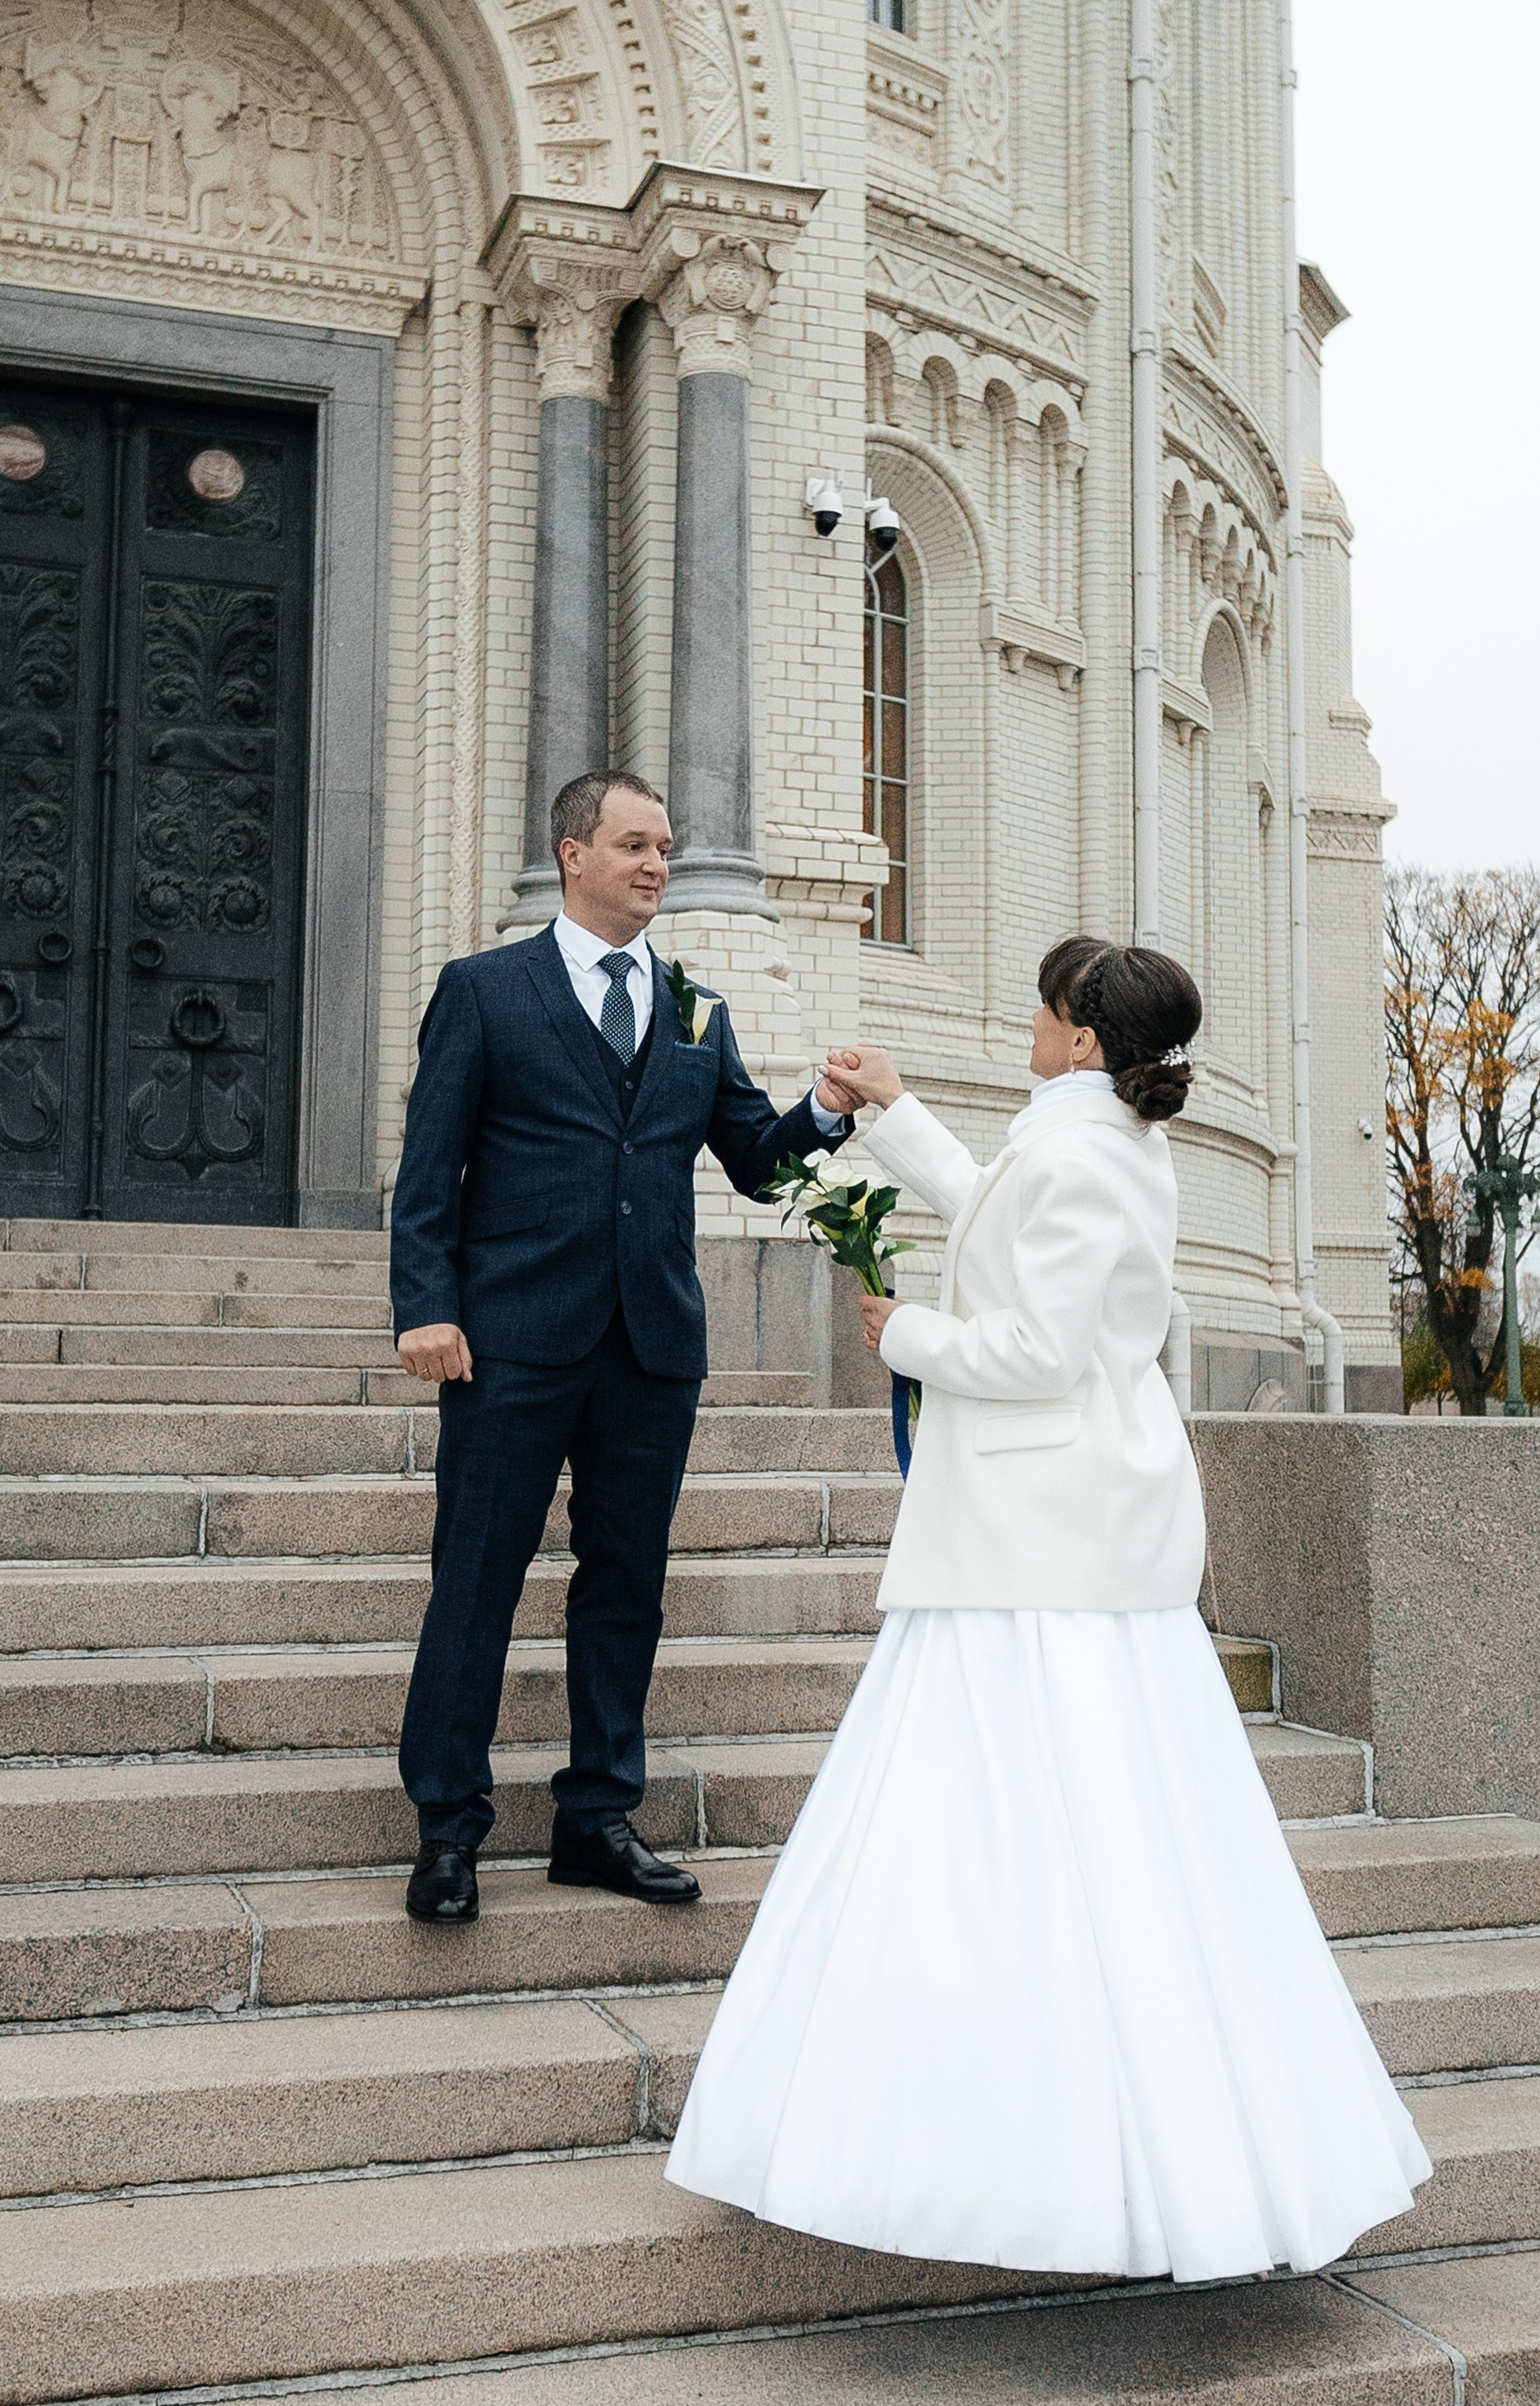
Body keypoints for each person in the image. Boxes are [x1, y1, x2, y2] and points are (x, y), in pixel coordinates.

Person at [666, 935, 1430, 2279]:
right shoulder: (1080, 1142)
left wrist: (905, 1337)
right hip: (1045, 1531)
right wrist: (895, 1112)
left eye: (1042, 1004)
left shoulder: (1083, 1156)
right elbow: (994, 1208)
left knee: (1017, 1822)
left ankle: (1017, 2158)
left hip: (1039, 1537)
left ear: (1082, 1037)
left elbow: (1036, 1352)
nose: (1026, 1017)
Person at [388, 768, 856, 1925]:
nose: (657, 864)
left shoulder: (697, 1007)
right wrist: (424, 1306)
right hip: (507, 1340)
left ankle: (596, 1818)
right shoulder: (485, 990)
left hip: (649, 1349)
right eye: (636, 844)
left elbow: (753, 1156)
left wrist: (828, 1113)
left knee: (627, 1587)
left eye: (665, 845)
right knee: (476, 1585)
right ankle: (448, 1828)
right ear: (573, 854)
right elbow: (427, 1170)